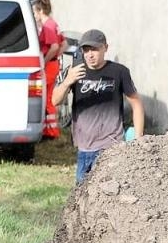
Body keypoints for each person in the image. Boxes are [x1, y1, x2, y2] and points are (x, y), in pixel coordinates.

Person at [54, 29, 143, 184]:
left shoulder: (119, 72)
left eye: (94, 49)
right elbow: (55, 101)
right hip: (84, 148)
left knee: (109, 190)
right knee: (83, 193)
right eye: (86, 50)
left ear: (105, 48)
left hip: (111, 147)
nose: (90, 54)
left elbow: (137, 104)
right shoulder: (74, 72)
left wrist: (138, 139)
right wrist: (67, 81)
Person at [32, 0, 64, 139]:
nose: (34, 16)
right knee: (48, 97)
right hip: (53, 64)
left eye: (34, 12)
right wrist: (56, 57)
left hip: (49, 65)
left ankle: (51, 132)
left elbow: (55, 46)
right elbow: (64, 44)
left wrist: (44, 61)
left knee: (46, 98)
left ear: (40, 11)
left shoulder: (47, 26)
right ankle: (50, 130)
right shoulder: (53, 24)